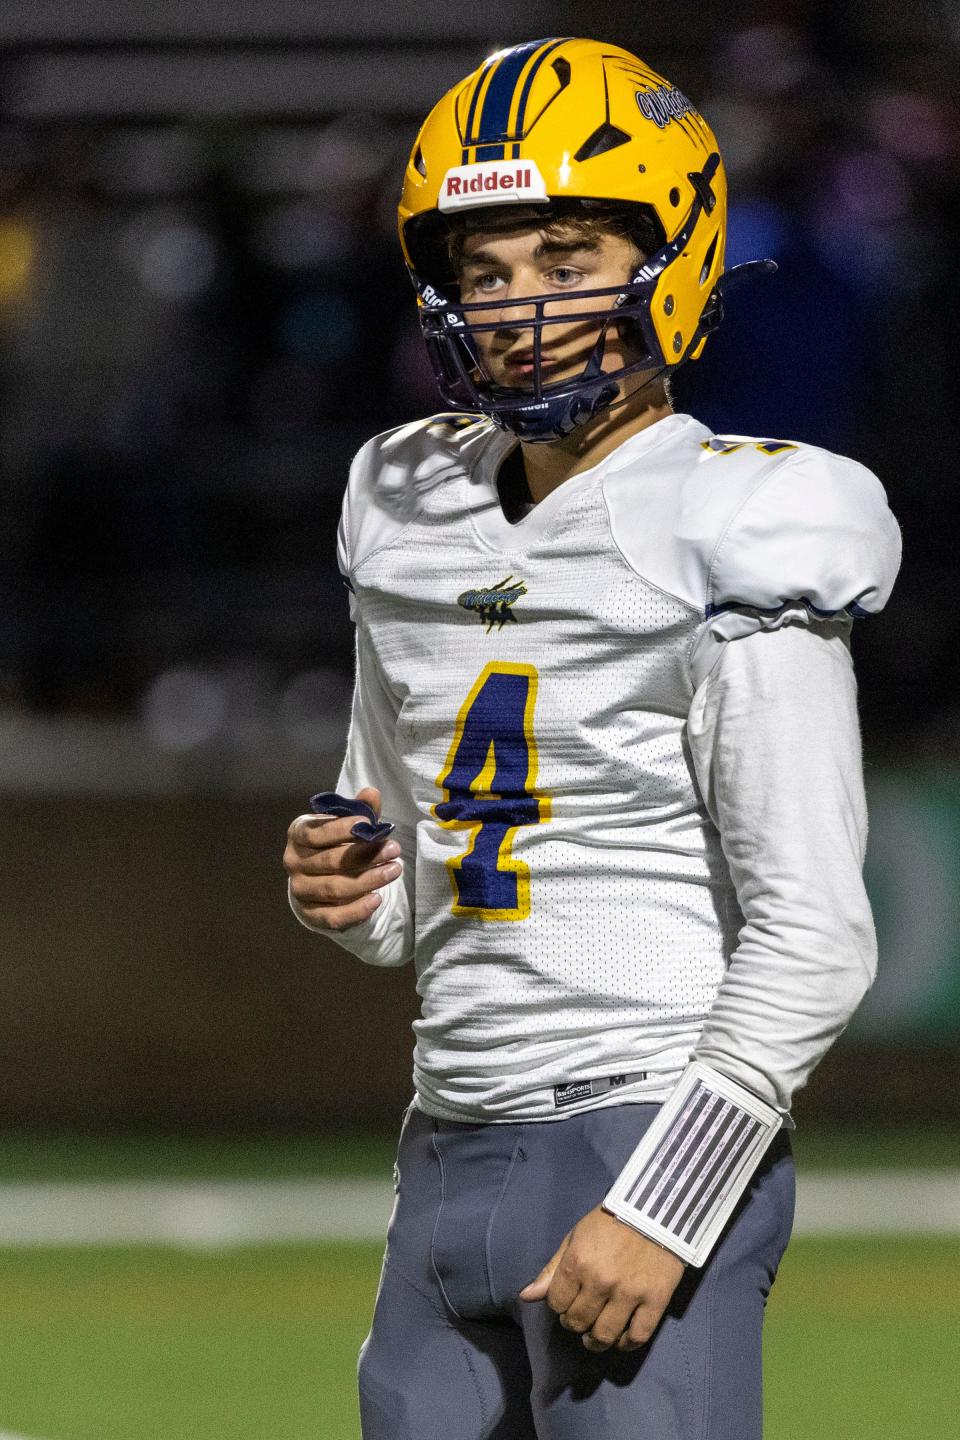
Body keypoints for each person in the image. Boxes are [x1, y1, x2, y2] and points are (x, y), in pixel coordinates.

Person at [283, 37, 901, 1440]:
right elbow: (397, 853)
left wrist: (669, 1206)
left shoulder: (739, 520)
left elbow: (815, 932)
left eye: (565, 256)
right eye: (488, 271)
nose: (521, 308)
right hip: (446, 1141)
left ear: (669, 252)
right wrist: (352, 886)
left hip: (637, 1136)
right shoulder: (402, 497)